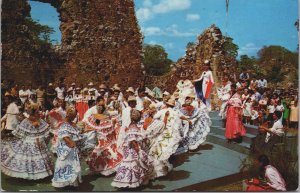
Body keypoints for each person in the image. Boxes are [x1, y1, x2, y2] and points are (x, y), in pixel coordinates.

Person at [1, 102, 53, 180]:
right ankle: (40, 174)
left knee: (28, 158)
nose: (38, 112)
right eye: (37, 111)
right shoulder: (39, 120)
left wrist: (7, 135)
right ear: (35, 111)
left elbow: (17, 132)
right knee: (37, 158)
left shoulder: (27, 120)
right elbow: (47, 130)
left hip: (30, 142)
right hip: (38, 141)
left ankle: (34, 174)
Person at [111, 109, 153, 188]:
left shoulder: (133, 125)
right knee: (132, 164)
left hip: (131, 149)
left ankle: (133, 181)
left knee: (133, 165)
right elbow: (133, 140)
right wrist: (138, 150)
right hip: (132, 150)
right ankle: (129, 183)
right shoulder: (133, 127)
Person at [85, 101, 122, 176]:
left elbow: (113, 121)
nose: (100, 107)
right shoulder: (93, 115)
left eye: (101, 106)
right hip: (100, 138)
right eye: (99, 105)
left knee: (105, 152)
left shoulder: (107, 116)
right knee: (98, 153)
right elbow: (91, 126)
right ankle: (99, 169)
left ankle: (105, 169)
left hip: (105, 138)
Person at [52, 106, 83, 188]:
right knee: (64, 164)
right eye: (73, 116)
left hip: (71, 147)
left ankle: (71, 181)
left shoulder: (71, 123)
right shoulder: (64, 124)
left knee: (72, 165)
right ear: (68, 115)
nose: (74, 117)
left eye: (75, 116)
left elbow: (78, 131)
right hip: (66, 148)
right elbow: (64, 136)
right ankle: (63, 181)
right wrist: (71, 144)